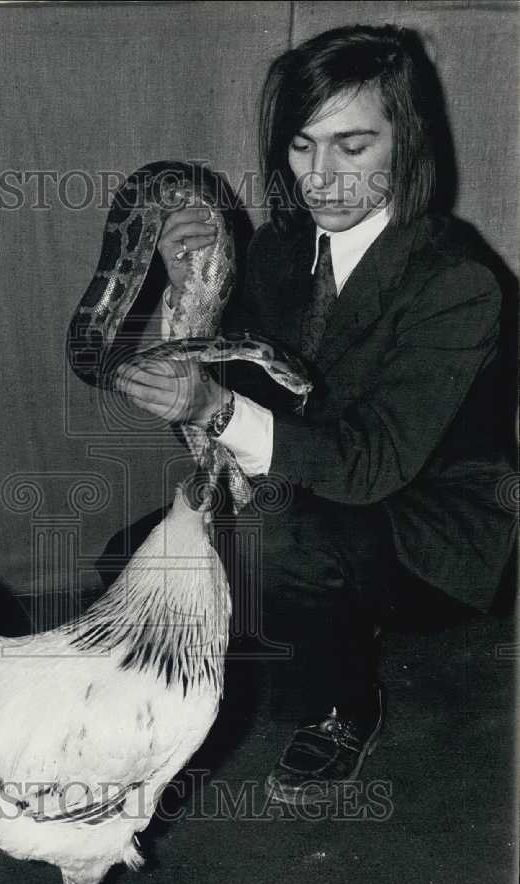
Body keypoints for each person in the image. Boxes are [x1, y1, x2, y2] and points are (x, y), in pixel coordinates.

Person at [109, 24, 516, 802]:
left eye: (352, 147)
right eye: (302, 147)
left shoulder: (458, 282)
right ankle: (315, 624)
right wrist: (184, 288)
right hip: (308, 489)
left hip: (426, 522)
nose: (320, 179)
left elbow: (366, 465)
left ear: (406, 144)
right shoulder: (272, 253)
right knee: (127, 564)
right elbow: (220, 426)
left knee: (271, 535)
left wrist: (216, 403)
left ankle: (342, 705)